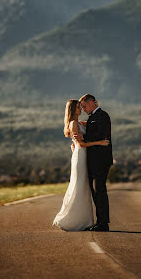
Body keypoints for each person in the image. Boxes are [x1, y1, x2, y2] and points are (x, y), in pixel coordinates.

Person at [53, 99, 109, 231]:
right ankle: (72, 219)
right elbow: (81, 144)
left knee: (84, 188)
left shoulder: (80, 123)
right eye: (79, 107)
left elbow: (88, 131)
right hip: (80, 157)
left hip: (85, 157)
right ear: (73, 109)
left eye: (82, 106)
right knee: (78, 186)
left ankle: (85, 220)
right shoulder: (73, 123)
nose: (81, 109)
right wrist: (99, 143)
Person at [74, 94, 113, 232]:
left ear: (93, 102)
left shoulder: (103, 116)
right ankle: (99, 221)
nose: (83, 109)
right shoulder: (91, 118)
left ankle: (103, 223)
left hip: (101, 160)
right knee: (95, 191)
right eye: (82, 107)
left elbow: (101, 136)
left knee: (100, 190)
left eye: (84, 106)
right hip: (92, 161)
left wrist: (83, 137)